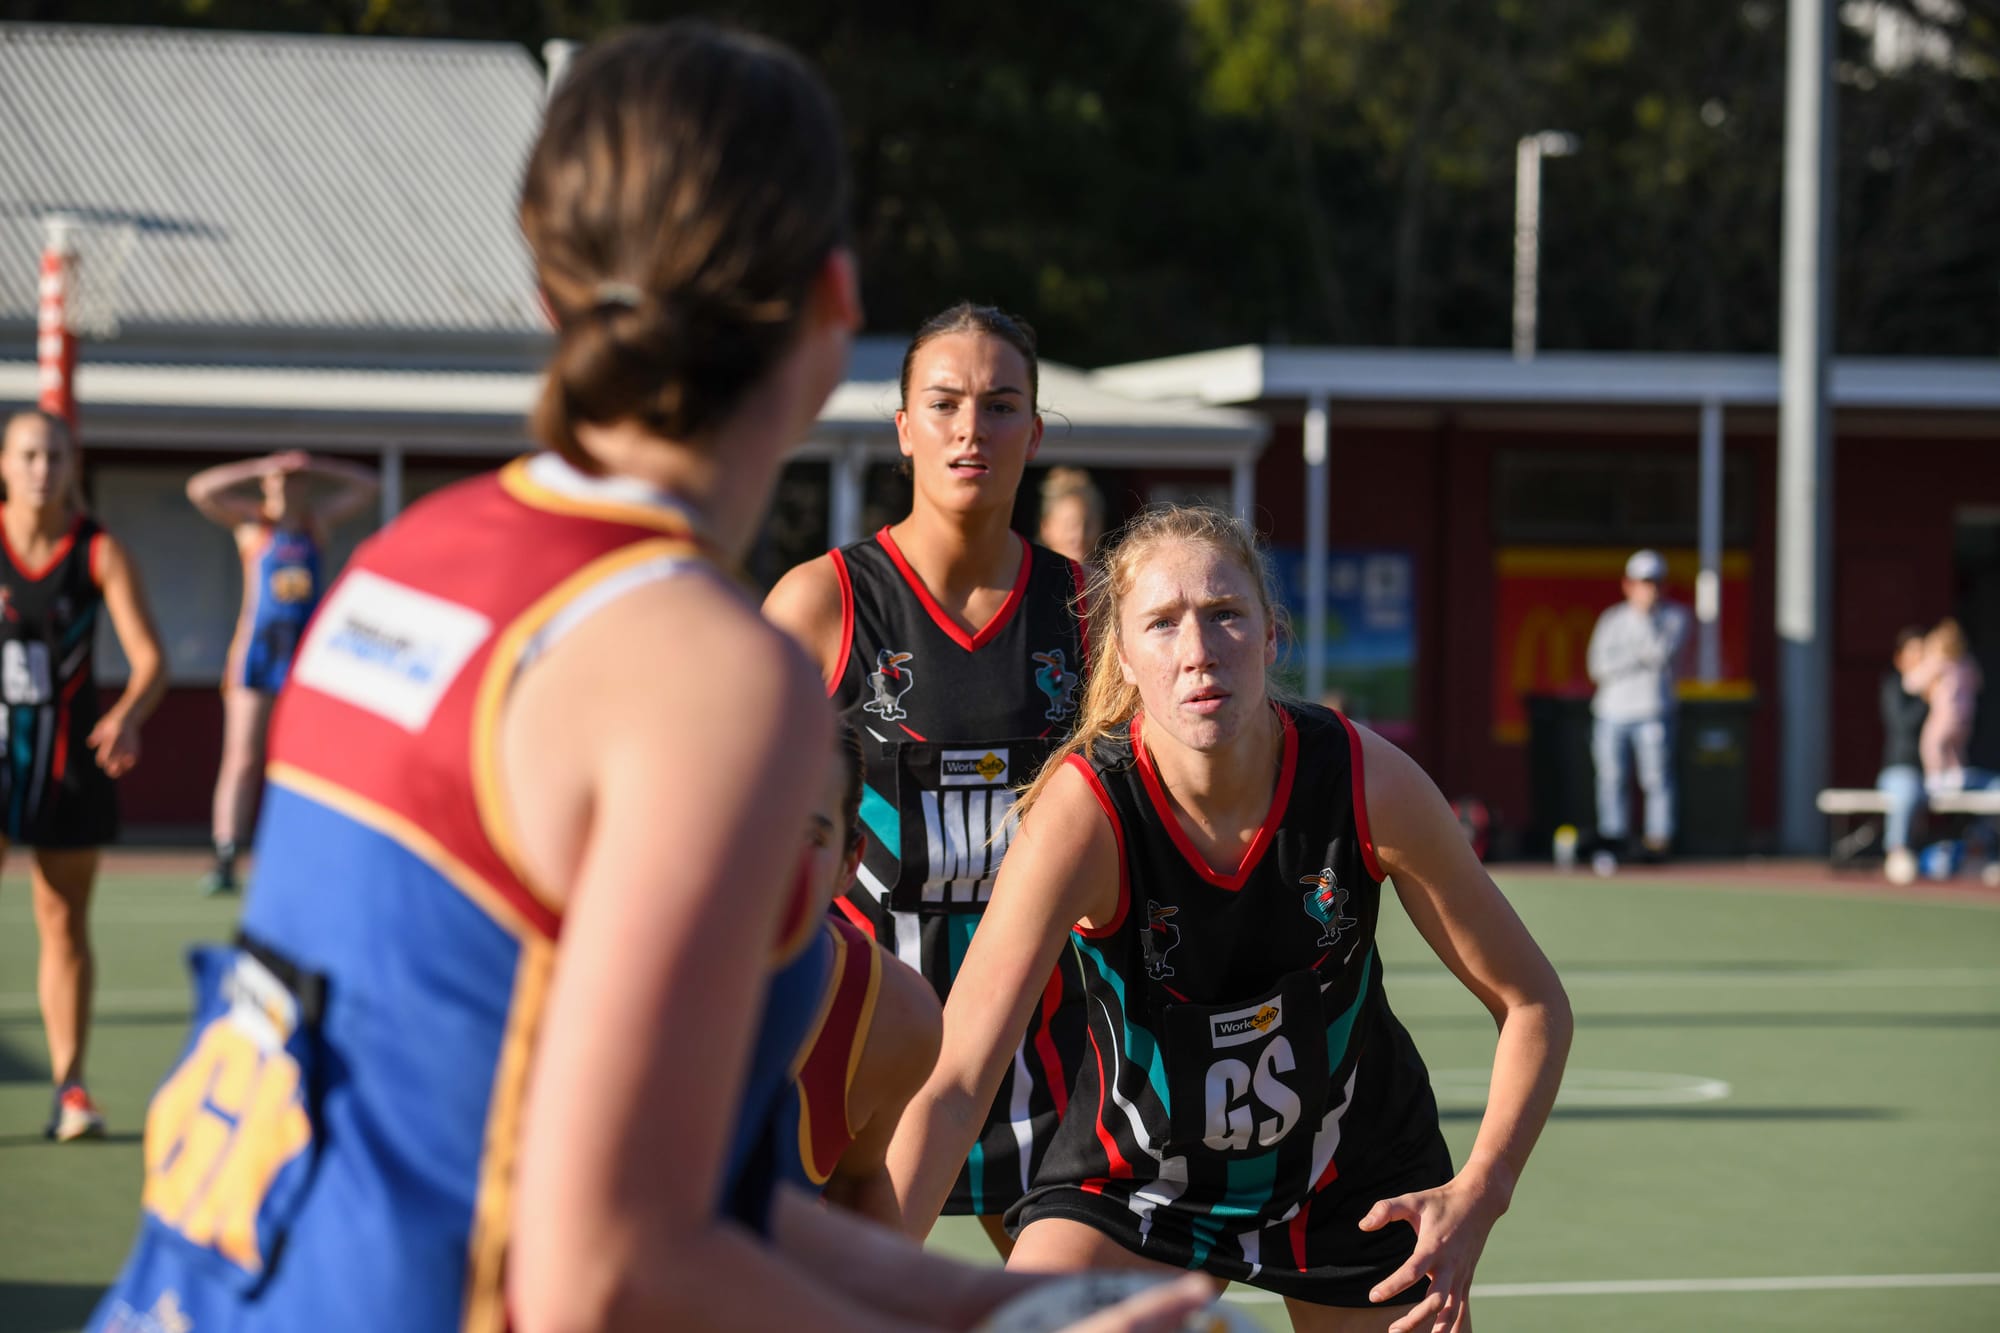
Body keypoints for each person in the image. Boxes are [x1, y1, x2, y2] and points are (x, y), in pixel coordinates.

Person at [88, 25, 1214, 1333]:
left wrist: (999, 1315)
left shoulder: (404, 564)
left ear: (546, 290)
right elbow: (606, 1267)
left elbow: (579, 1173)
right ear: (837, 304)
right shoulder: (705, 676)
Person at [886, 506, 1572, 1333]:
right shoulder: (1084, 815)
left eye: (1225, 615)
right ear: (1125, 657)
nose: (1198, 652)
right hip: (1145, 1178)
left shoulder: (1365, 781)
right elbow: (957, 1083)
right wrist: (851, 1289)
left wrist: (1480, 1193)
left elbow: (1533, 1002)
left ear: (1273, 636)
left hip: (1352, 1175)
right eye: (1163, 624)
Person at [765, 301, 1091, 1256]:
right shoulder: (820, 603)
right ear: (903, 426)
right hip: (870, 1052)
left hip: (1048, 1059)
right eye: (943, 403)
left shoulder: (1089, 611)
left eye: (999, 406)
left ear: (1033, 430)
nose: (969, 429)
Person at [0, 409, 166, 1141]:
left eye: (56, 456)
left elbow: (150, 660)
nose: (43, 469)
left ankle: (70, 1087)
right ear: (5, 463)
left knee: (62, 920)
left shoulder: (97, 551)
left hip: (69, 761)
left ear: (73, 467)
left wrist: (130, 711)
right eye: (30, 454)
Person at [770, 722, 946, 1225]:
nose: (774, 859)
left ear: (850, 863)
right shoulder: (599, 984)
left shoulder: (889, 1019)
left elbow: (857, 1181)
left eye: (807, 836)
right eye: (751, 818)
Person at [186, 449, 379, 893]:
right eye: (278, 481)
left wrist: (315, 465)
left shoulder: (315, 525)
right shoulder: (254, 527)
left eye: (294, 481)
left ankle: (304, 852)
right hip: (256, 656)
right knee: (243, 757)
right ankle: (226, 854)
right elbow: (201, 489)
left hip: (303, 658)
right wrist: (261, 466)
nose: (286, 487)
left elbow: (368, 488)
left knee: (304, 759)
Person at [1584, 548, 1690, 869]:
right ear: (1628, 584)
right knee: (1611, 778)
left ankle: (1657, 844)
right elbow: (1598, 667)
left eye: (1656, 581)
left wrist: (1633, 647)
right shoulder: (1611, 620)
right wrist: (1636, 658)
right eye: (1644, 581)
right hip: (1610, 712)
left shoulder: (1675, 618)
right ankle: (1613, 843)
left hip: (1653, 712)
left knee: (1656, 779)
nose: (1651, 588)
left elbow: (1659, 654)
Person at [1903, 616, 1982, 793]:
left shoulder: (1940, 662)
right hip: (1966, 716)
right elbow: (1978, 682)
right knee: (1955, 747)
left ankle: (1935, 777)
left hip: (1946, 713)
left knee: (1931, 743)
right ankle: (1957, 775)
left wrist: (1909, 679)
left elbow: (1914, 682)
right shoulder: (1965, 664)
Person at [1878, 627, 1930, 885]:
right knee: (1906, 793)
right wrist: (1925, 698)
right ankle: (1897, 850)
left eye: (1925, 653)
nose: (1921, 659)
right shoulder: (1894, 686)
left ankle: (1981, 851)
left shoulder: (1945, 686)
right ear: (1900, 657)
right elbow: (1903, 724)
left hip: (1938, 773)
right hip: (1901, 769)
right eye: (1915, 653)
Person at [1040, 465, 1106, 565]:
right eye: (1070, 525)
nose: (1080, 535)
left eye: (1088, 525)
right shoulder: (1034, 578)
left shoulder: (1112, 579)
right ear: (1046, 527)